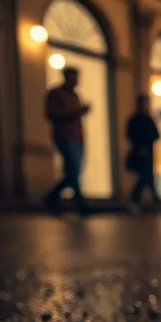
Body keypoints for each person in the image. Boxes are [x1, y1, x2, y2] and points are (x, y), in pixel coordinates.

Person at [44, 67, 92, 215]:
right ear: (66, 77)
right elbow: (51, 113)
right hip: (64, 136)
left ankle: (52, 197)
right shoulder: (55, 94)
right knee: (73, 169)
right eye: (73, 77)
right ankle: (80, 202)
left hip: (77, 137)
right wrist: (77, 112)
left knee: (74, 170)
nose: (76, 81)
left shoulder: (75, 96)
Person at [125, 95, 161, 213]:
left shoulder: (144, 119)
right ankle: (138, 200)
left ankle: (155, 202)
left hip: (145, 151)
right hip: (141, 152)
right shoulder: (140, 119)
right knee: (145, 177)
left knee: (147, 178)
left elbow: (156, 135)